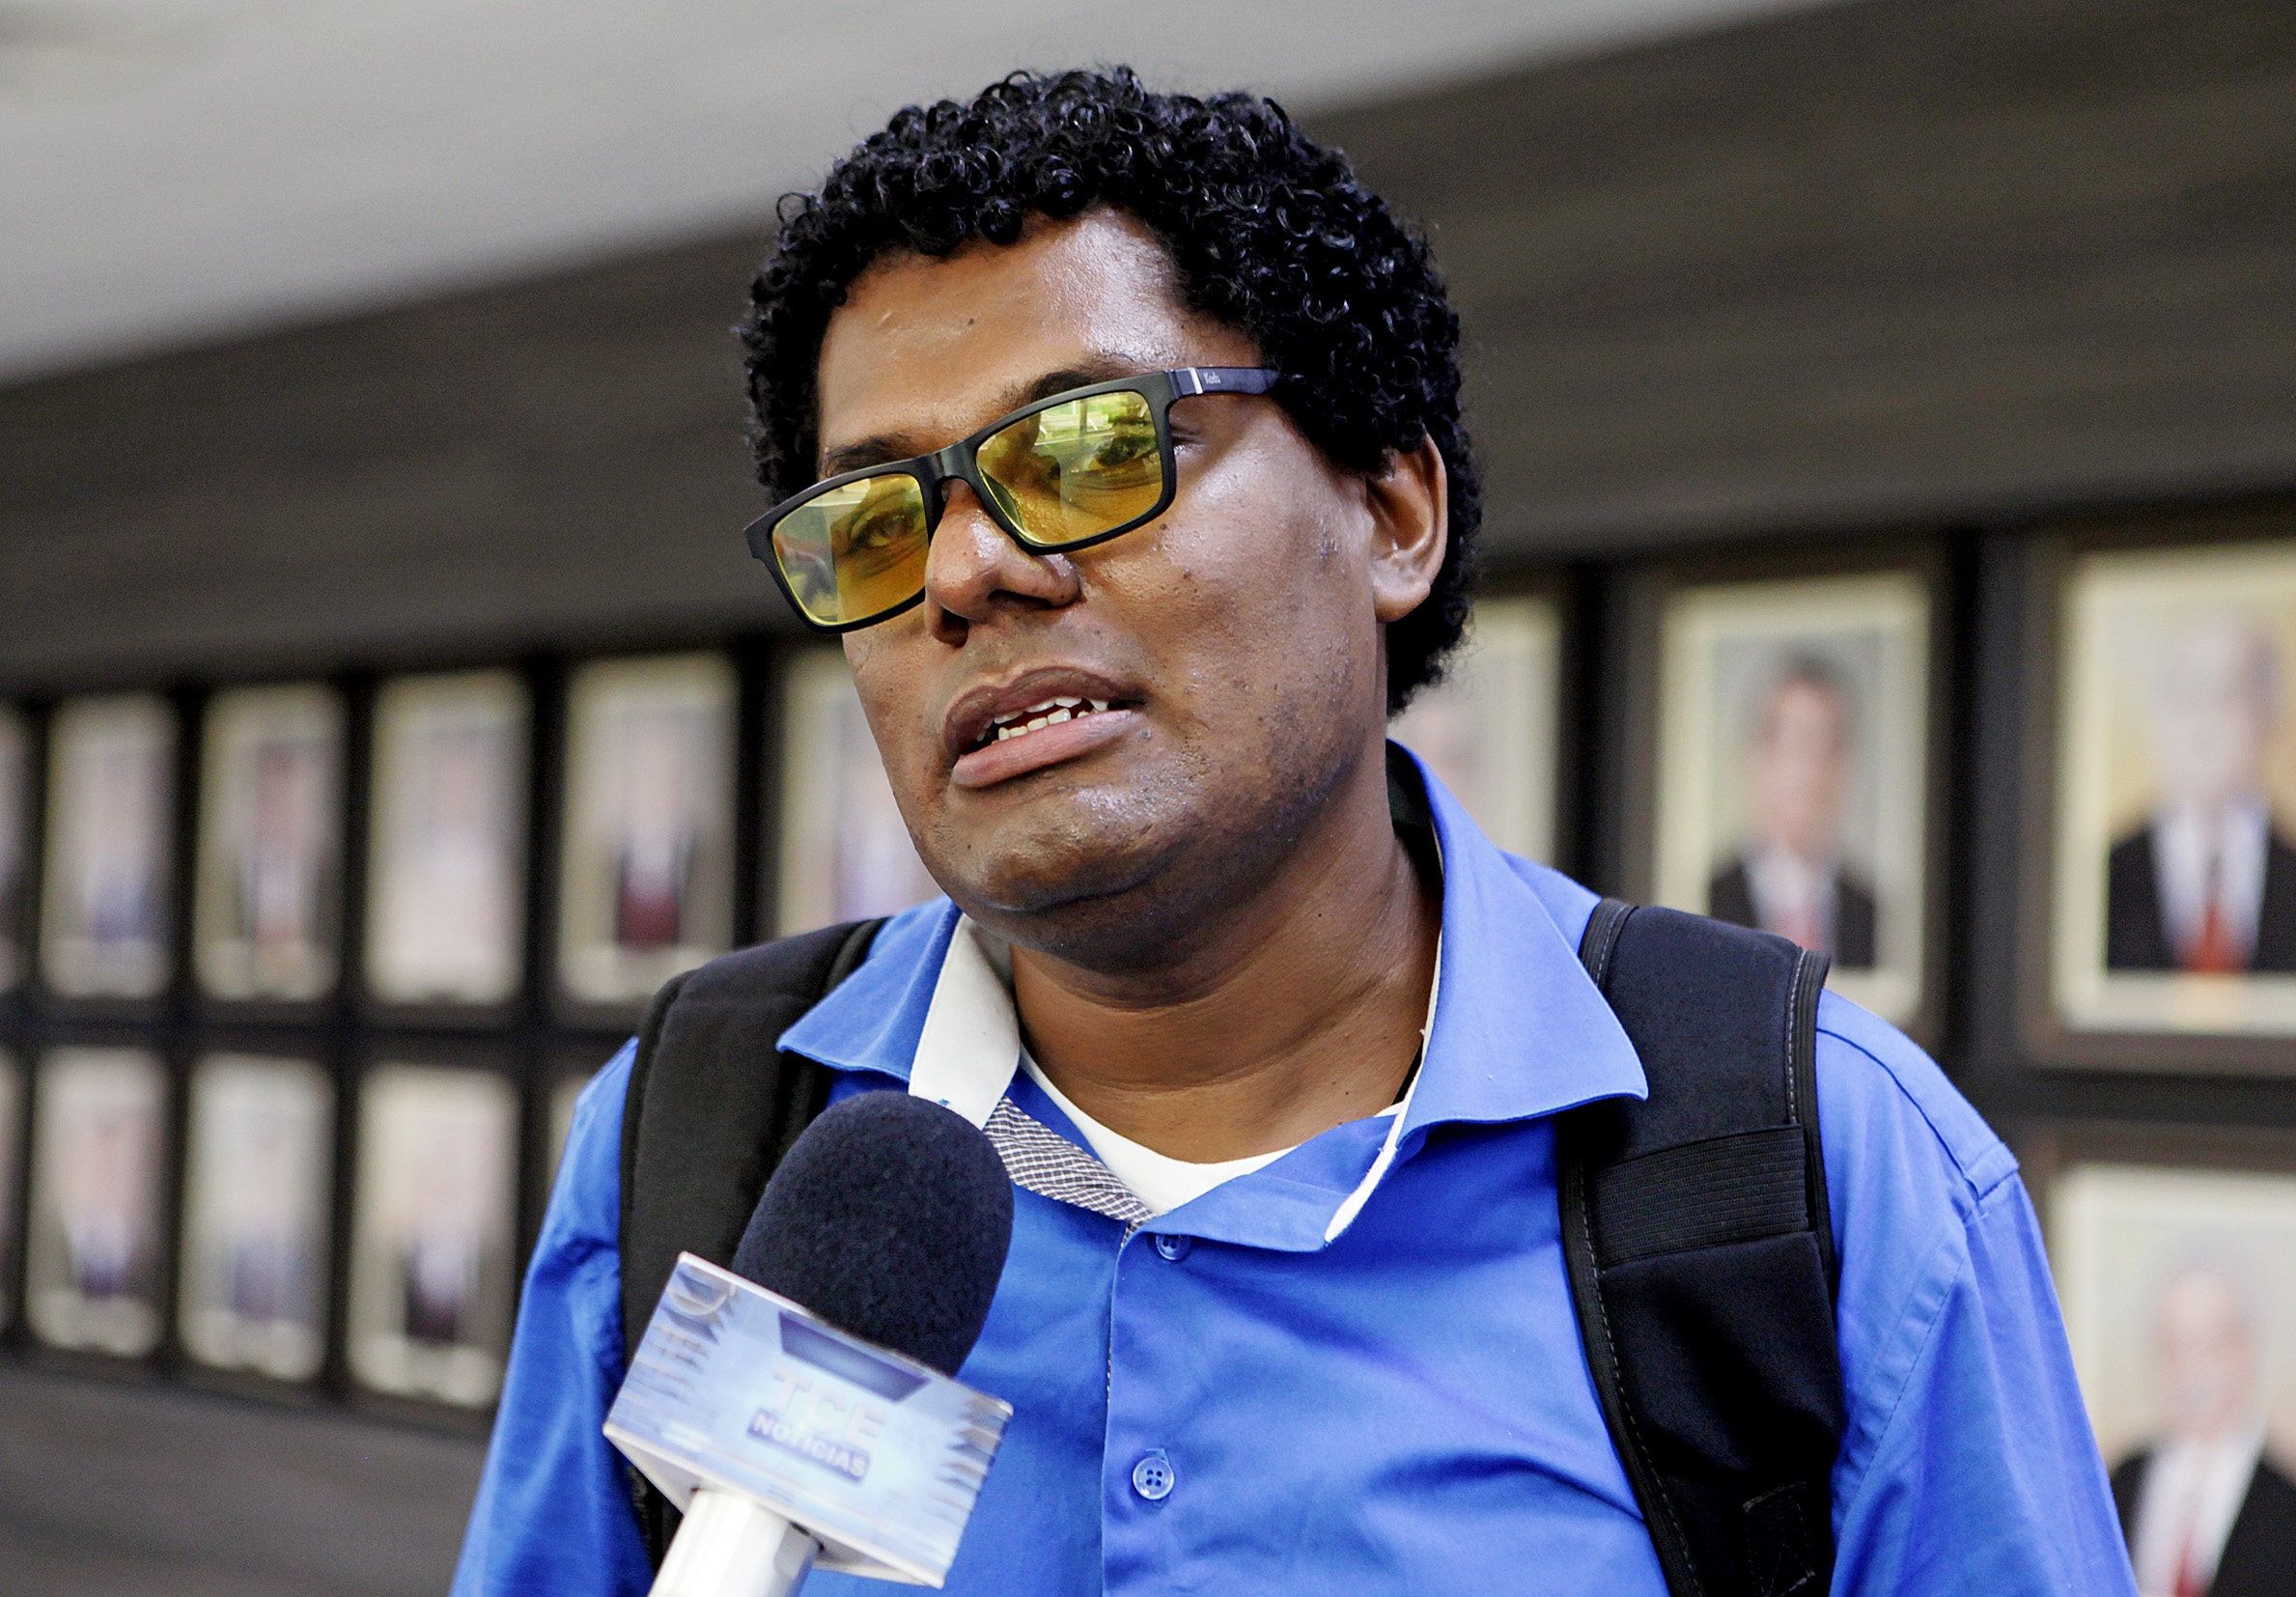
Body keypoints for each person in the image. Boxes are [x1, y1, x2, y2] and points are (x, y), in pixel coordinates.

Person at [452, 68, 2133, 1597]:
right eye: (876, 521)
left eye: (1089, 446)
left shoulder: (1816, 1162)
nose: (961, 570)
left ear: (1391, 513)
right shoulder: (705, 1129)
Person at [2106, 614, 2296, 974]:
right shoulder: (2103, 874)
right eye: (2183, 695)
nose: (2201, 721)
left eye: (2225, 696)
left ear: (2268, 715)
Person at [2108, 1263, 2296, 1597]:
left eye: (2211, 1345)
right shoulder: (2122, 1482)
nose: (2191, 1369)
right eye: (2173, 1347)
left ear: (2246, 1351)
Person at [1707, 655, 1878, 967]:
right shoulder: (1707, 898)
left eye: (1831, 746)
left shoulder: (1874, 912)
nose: (1814, 769)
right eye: (1800, 742)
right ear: (1759, 758)